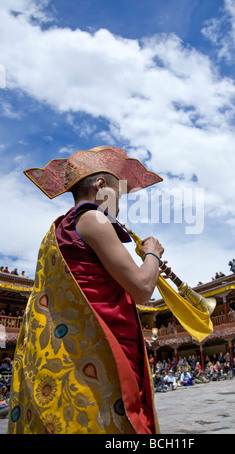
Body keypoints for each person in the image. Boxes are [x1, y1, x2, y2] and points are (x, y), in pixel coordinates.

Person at [8, 146, 165, 435]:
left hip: (74, 354)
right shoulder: (94, 219)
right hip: (104, 348)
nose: (120, 202)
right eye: (119, 192)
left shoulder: (59, 229)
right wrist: (152, 254)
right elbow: (143, 289)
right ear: (101, 186)